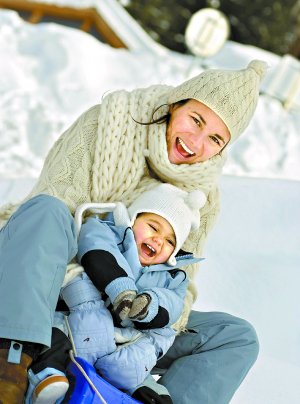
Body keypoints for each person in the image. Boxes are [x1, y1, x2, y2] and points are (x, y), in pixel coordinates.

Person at [0, 60, 266, 404]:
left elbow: (179, 280)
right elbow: (56, 212)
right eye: (195, 120)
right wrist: (103, 289)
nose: (195, 142)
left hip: (130, 313)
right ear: (174, 105)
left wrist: (144, 315)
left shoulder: (202, 197)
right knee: (47, 211)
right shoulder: (106, 123)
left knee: (235, 336)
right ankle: (11, 366)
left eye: (214, 138)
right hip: (56, 283)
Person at [26, 183, 206, 402]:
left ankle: (142, 393)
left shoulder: (173, 277)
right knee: (53, 340)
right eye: (153, 226)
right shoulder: (106, 231)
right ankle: (45, 381)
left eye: (170, 241)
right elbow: (98, 252)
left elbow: (173, 304)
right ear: (131, 219)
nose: (159, 240)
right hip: (76, 326)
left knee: (146, 381)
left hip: (124, 348)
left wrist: (149, 307)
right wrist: (122, 291)